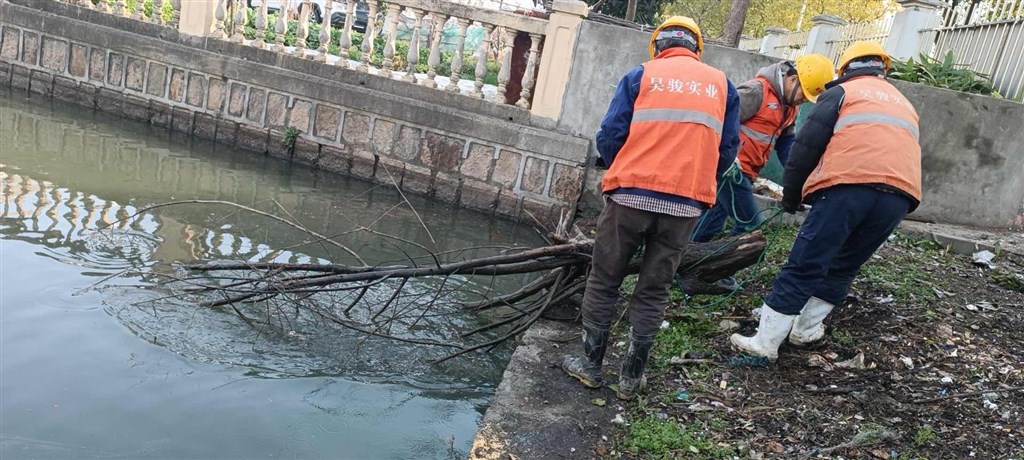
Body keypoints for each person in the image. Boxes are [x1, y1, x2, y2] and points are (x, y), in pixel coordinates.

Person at [562, 16, 741, 400]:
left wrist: (620, 167)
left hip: (629, 197)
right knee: (654, 289)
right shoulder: (722, 86)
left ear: (657, 46)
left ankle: (590, 366)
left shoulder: (640, 75)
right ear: (696, 48)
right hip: (684, 206)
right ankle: (630, 379)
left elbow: (610, 135)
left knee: (605, 278)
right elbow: (727, 150)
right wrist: (696, 182)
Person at [730, 41, 922, 361]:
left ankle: (765, 344)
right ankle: (804, 331)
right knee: (844, 265)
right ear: (882, 69)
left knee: (806, 262)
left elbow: (805, 148)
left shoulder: (843, 92)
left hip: (848, 187)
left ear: (846, 70)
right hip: (900, 196)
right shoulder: (904, 103)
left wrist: (791, 197)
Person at [691, 54, 835, 245]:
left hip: (747, 172)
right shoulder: (756, 92)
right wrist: (724, 158)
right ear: (792, 80)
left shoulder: (790, 107)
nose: (804, 101)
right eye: (804, 95)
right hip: (731, 170)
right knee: (750, 224)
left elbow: (786, 145)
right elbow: (718, 121)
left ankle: (685, 261)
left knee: (711, 222)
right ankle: (718, 267)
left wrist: (799, 177)